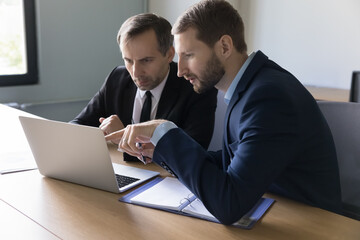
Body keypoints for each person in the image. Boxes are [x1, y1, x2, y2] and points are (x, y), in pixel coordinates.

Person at [105, 0, 342, 225]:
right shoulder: (251, 86)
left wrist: (163, 130)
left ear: (225, 47)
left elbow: (229, 205)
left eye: (189, 55)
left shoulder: (268, 97)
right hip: (277, 209)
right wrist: (161, 149)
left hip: (311, 224)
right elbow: (234, 161)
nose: (180, 70)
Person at [71, 13, 218, 162]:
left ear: (169, 54)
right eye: (128, 60)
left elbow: (193, 153)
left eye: (146, 60)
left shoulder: (196, 87)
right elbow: (76, 127)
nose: (135, 72)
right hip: (124, 172)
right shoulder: (117, 78)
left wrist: (126, 139)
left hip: (168, 181)